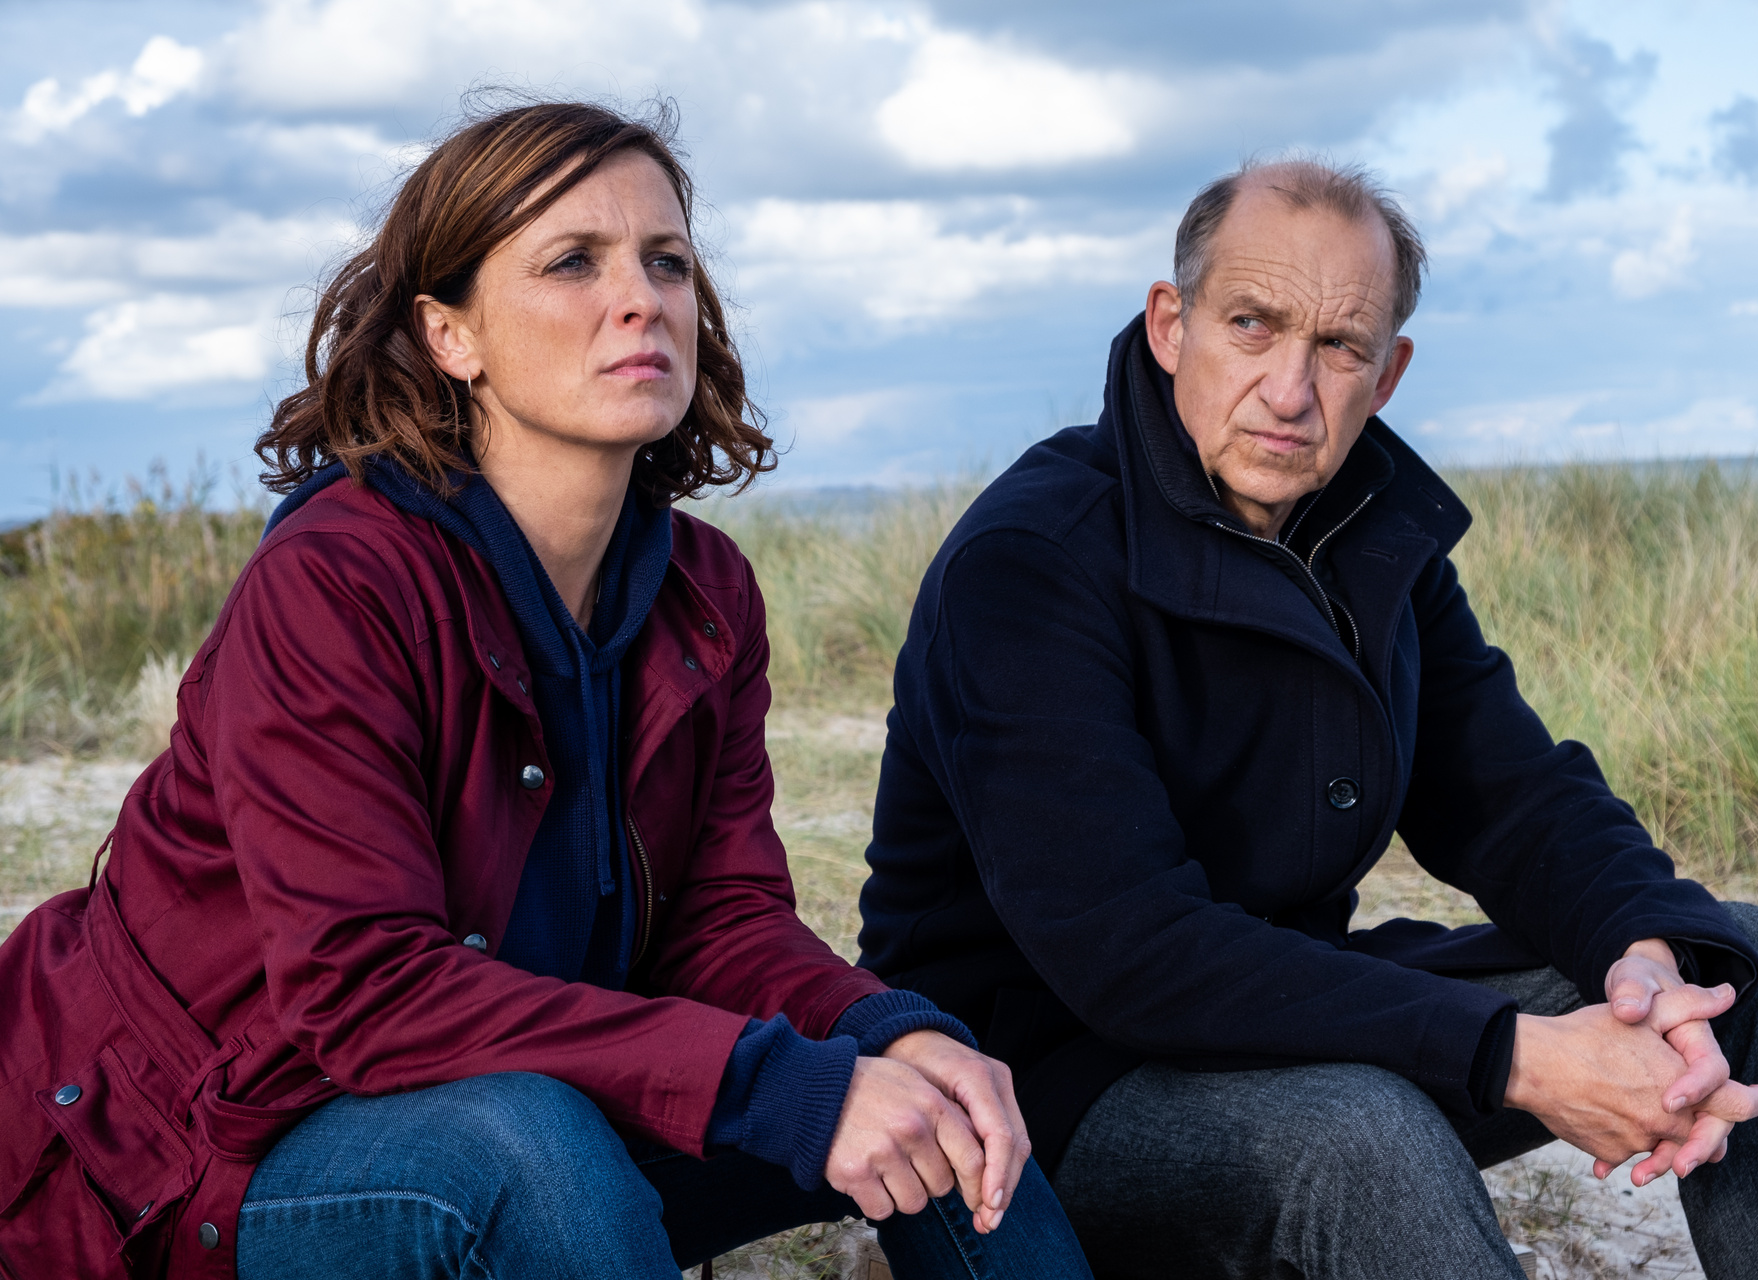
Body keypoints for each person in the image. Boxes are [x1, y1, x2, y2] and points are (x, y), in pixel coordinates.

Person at [0, 101, 1094, 1280]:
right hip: (213, 1144)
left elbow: (719, 920)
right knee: (535, 1147)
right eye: (573, 261)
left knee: (938, 1097)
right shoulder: (336, 583)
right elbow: (366, 990)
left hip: (513, 1091)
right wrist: (777, 1082)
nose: (642, 299)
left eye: (666, 261)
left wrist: (889, 1030)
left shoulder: (704, 593)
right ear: (449, 335)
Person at [857, 156, 1758, 1279]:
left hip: (1277, 1018)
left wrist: (1641, 955)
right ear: (1170, 325)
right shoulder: (1031, 559)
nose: (1289, 390)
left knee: (1740, 961)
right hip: (1033, 1088)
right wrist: (1519, 1056)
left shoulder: (1366, 535)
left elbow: (1514, 797)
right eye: (1251, 324)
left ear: (1388, 373)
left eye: (1339, 346)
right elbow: (1131, 952)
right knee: (1364, 1132)